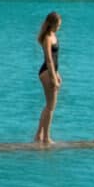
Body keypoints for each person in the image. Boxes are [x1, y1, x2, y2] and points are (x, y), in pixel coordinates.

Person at [33, 11, 62, 145]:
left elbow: (56, 59)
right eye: (58, 25)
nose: (59, 27)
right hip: (46, 72)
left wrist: (57, 73)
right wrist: (53, 78)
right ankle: (46, 138)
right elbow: (49, 60)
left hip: (52, 72)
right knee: (51, 107)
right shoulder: (47, 38)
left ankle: (39, 135)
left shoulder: (54, 35)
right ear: (51, 24)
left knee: (48, 106)